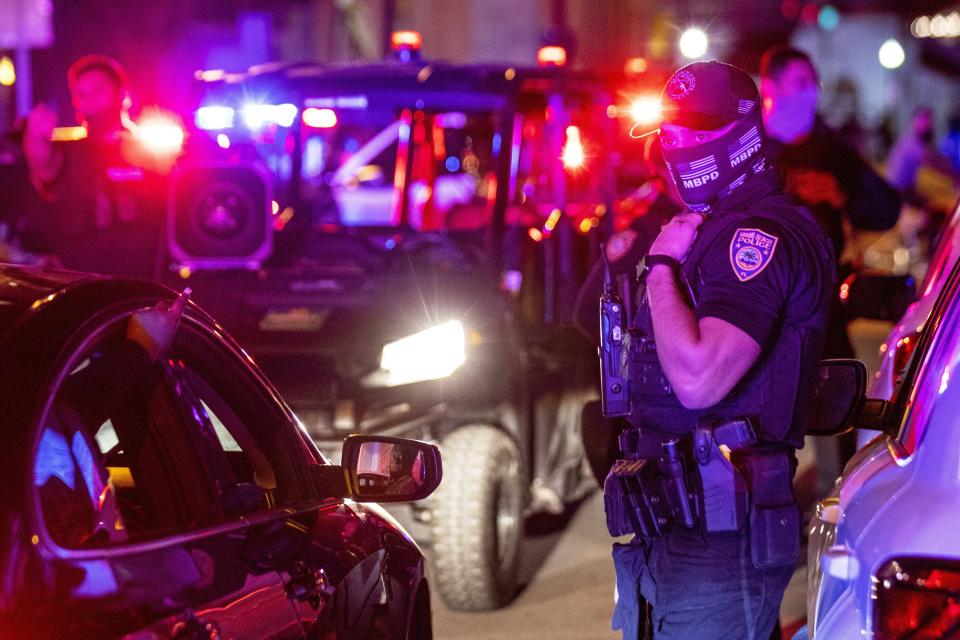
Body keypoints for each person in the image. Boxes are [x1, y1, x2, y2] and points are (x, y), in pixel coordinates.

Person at [608, 60, 833, 639]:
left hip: (721, 531)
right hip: (668, 522)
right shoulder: (702, 228)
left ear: (740, 135)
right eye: (669, 134)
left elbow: (700, 378)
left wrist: (659, 267)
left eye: (693, 134)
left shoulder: (758, 237)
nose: (674, 147)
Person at [759, 46, 901, 496]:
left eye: (811, 84)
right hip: (762, 303)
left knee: (832, 398)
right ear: (772, 90)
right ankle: (770, 499)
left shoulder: (832, 150)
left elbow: (885, 208)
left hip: (822, 304)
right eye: (798, 84)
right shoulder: (754, 148)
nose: (809, 94)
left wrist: (843, 196)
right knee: (767, 408)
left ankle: (832, 495)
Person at [20, 54, 164, 279]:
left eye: (98, 89)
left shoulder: (154, 149)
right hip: (82, 288)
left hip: (143, 285)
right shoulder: (70, 153)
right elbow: (42, 163)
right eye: (81, 93)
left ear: (122, 94)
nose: (90, 99)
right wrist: (35, 132)